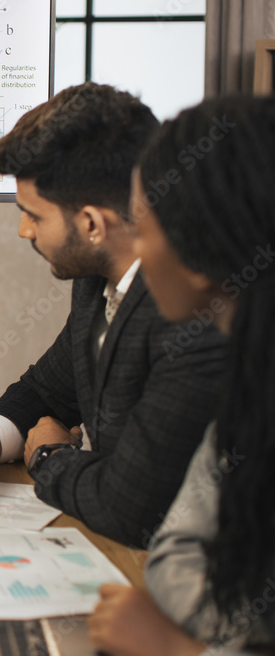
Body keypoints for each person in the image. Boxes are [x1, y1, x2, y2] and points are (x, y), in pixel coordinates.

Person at [0, 82, 226, 548]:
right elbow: (48, 390)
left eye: (33, 215)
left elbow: (131, 505)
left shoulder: (188, 313)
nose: (23, 231)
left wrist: (49, 455)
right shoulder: (95, 278)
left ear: (90, 224)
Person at [88, 96, 275, 655]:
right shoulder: (249, 375)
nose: (135, 252)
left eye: (143, 228)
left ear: (198, 252)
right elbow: (177, 546)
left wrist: (175, 650)